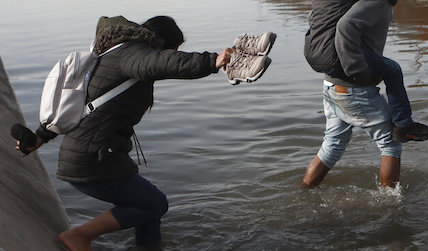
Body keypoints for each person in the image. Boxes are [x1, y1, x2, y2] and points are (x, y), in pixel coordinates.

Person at [16, 15, 274, 250]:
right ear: (162, 44)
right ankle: (79, 236)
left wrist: (39, 138)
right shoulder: (133, 53)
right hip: (93, 161)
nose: (174, 54)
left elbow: (78, 105)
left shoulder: (116, 54)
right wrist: (212, 61)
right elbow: (161, 63)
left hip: (94, 155)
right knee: (155, 204)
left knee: (147, 208)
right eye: (174, 49)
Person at [302, 0, 423, 189]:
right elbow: (346, 27)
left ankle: (304, 192)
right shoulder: (378, 0)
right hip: (353, 87)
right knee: (391, 143)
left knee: (331, 147)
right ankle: (392, 206)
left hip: (332, 85)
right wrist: (358, 71)